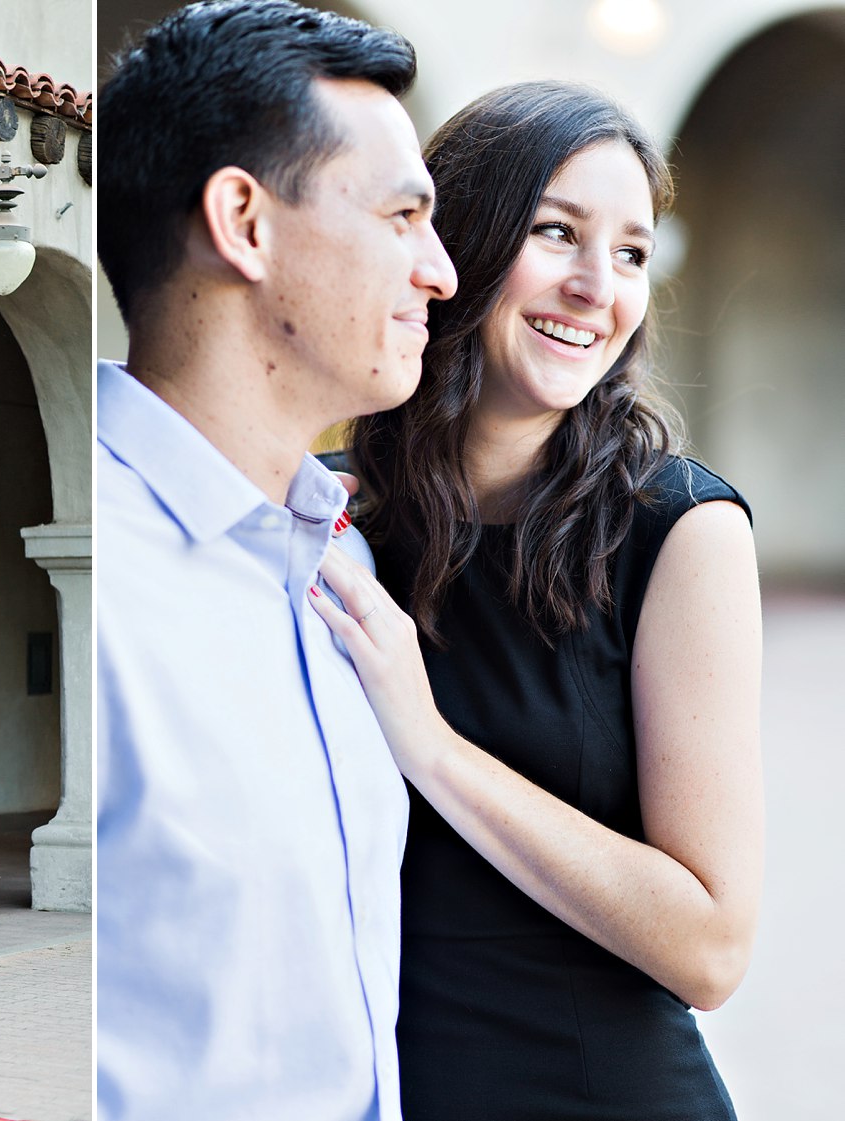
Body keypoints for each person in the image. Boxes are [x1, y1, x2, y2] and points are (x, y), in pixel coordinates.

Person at [308, 81, 763, 1120]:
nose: (599, 287)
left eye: (635, 252)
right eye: (558, 233)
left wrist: (430, 744)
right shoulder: (328, 516)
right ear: (455, 240)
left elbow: (711, 945)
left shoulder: (680, 531)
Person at [96, 2, 456, 1117]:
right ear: (244, 222)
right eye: (403, 215)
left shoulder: (331, 560)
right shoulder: (99, 586)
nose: (439, 270)